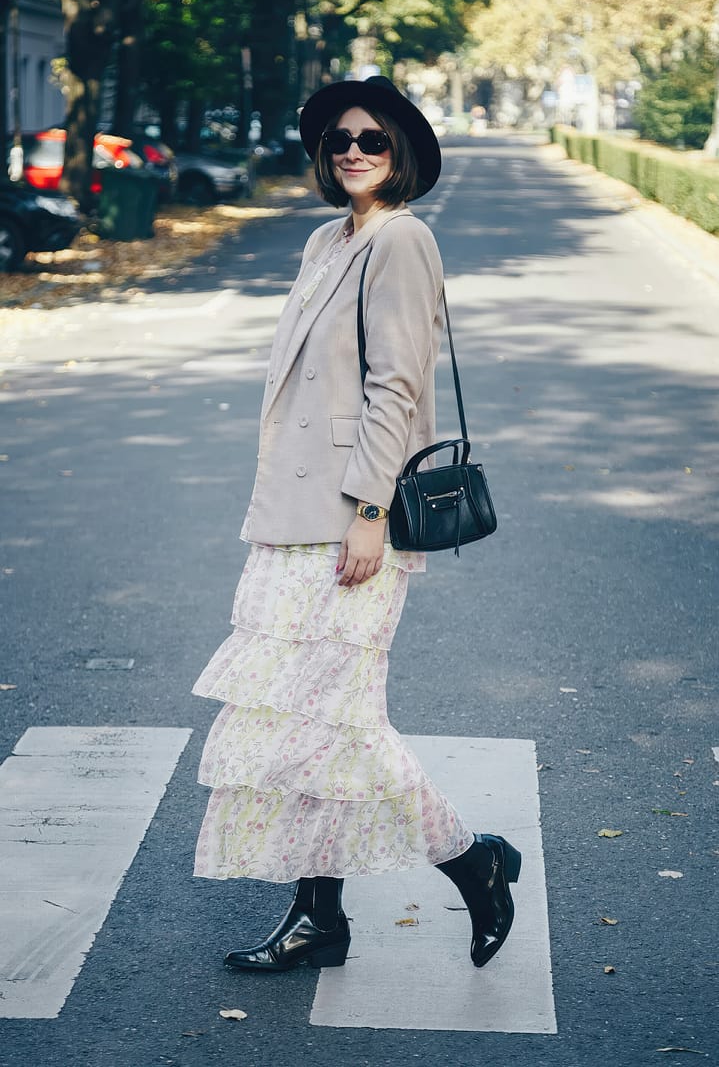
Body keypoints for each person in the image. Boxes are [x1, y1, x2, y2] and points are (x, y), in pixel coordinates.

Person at [192, 76, 521, 973]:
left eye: (372, 139)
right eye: (338, 139)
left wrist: (371, 511)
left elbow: (396, 388)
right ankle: (318, 916)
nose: (351, 150)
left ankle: (472, 860)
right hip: (288, 519)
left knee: (341, 723)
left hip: (350, 517)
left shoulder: (402, 240)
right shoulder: (324, 239)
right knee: (306, 728)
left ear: (401, 152)